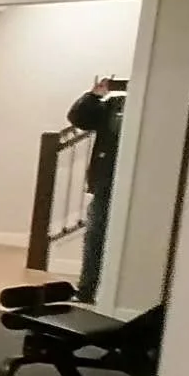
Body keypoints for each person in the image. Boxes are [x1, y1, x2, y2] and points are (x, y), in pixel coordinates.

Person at [66, 76, 124, 305]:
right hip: (106, 183)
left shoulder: (151, 107)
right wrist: (94, 95)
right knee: (95, 236)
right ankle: (86, 291)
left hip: (137, 184)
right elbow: (79, 118)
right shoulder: (114, 105)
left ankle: (113, 293)